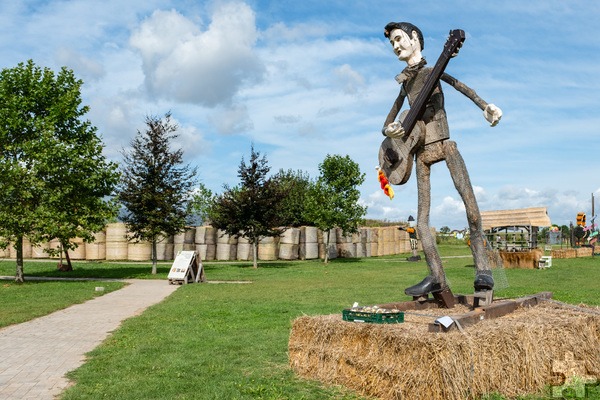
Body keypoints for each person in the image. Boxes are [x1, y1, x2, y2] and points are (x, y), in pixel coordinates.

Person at [382, 22, 502, 297]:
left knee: (470, 207)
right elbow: (389, 119)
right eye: (392, 43)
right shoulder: (405, 83)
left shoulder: (431, 72)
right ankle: (436, 276)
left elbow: (461, 86)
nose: (396, 45)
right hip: (421, 153)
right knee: (421, 222)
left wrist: (485, 106)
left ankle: (483, 270)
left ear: (415, 39)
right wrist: (389, 129)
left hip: (445, 146)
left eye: (399, 39)